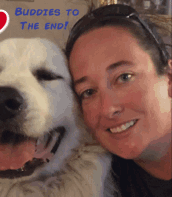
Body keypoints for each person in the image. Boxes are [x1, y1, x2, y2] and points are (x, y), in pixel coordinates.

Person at [66, 4, 171, 197]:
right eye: (88, 92)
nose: (108, 108)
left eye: (124, 77)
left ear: (169, 78)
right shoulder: (96, 179)